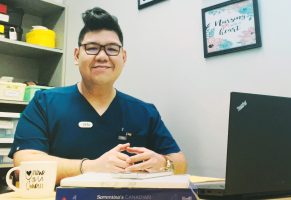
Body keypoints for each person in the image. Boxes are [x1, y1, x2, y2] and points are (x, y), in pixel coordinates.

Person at [8, 7, 187, 184]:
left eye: (112, 49)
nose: (102, 56)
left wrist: (163, 163)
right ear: (77, 55)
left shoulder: (144, 112)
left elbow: (180, 162)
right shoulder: (44, 103)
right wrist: (91, 167)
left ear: (123, 58)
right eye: (92, 48)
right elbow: (23, 166)